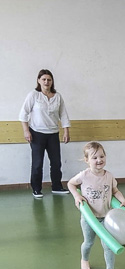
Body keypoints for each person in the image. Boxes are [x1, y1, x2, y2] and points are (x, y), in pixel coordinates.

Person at [67, 142, 125, 269]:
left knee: (108, 245)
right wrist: (77, 196)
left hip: (106, 218)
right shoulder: (84, 175)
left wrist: (123, 200)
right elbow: (70, 184)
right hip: (89, 219)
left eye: (102, 156)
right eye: (94, 158)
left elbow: (115, 191)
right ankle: (84, 259)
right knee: (88, 242)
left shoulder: (109, 176)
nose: (99, 160)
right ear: (87, 160)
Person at [19, 69, 71, 198]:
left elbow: (63, 115)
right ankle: (36, 189)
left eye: (49, 80)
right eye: (44, 79)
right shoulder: (33, 95)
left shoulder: (58, 96)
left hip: (53, 134)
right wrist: (26, 131)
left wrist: (66, 131)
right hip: (36, 134)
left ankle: (57, 187)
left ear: (52, 81)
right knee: (37, 163)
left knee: (56, 162)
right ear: (39, 81)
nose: (46, 82)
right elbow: (23, 114)